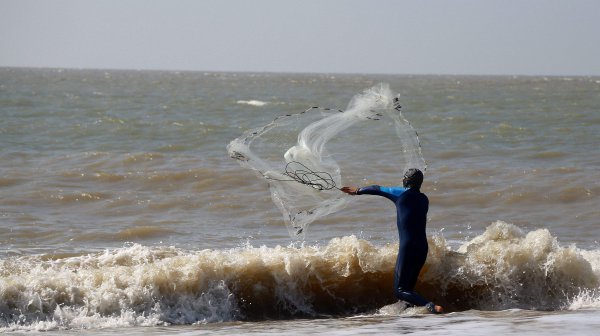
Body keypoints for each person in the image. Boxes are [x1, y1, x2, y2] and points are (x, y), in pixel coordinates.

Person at [341, 168, 443, 314]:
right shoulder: (424, 199)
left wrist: (358, 190)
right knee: (408, 292)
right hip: (422, 248)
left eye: (404, 179)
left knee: (401, 291)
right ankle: (409, 322)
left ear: (406, 180)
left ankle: (431, 307)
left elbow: (379, 189)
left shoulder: (401, 193)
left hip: (408, 247)